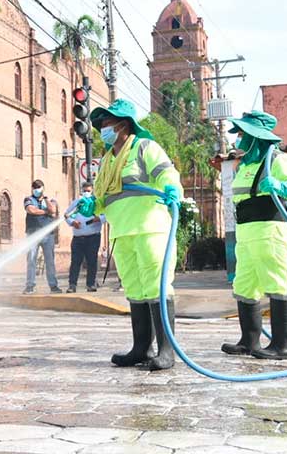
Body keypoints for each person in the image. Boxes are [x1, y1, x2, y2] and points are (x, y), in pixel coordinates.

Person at [75, 99, 183, 371]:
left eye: (107, 124)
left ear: (124, 125)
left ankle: (166, 351)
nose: (103, 129)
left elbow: (166, 173)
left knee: (156, 288)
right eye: (100, 125)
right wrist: (93, 205)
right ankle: (141, 348)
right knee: (135, 290)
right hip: (122, 233)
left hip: (150, 228)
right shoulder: (109, 160)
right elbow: (105, 196)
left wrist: (171, 189)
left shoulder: (144, 147)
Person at [221, 111, 287, 360]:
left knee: (275, 283)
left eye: (241, 134)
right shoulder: (246, 164)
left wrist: (283, 187)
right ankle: (248, 341)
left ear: (255, 136)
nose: (237, 139)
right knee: (244, 285)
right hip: (246, 233)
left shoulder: (277, 160)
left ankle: (281, 346)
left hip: (270, 230)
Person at [65, 181, 106, 293]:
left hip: (93, 237)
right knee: (75, 262)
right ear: (81, 191)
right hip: (78, 238)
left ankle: (91, 284)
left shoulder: (97, 203)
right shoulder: (77, 203)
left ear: (92, 190)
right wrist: (73, 222)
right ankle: (72, 285)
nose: (86, 193)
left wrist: (99, 219)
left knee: (92, 261)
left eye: (88, 191)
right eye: (85, 191)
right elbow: (67, 215)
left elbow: (106, 215)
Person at [23, 179, 61, 294]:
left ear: (43, 188)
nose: (36, 189)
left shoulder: (50, 200)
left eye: (38, 187)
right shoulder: (29, 199)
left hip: (48, 235)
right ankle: (30, 285)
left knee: (50, 261)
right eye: (34, 187)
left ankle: (53, 286)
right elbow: (31, 210)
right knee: (31, 260)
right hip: (32, 234)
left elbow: (53, 210)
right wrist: (46, 212)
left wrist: (45, 200)